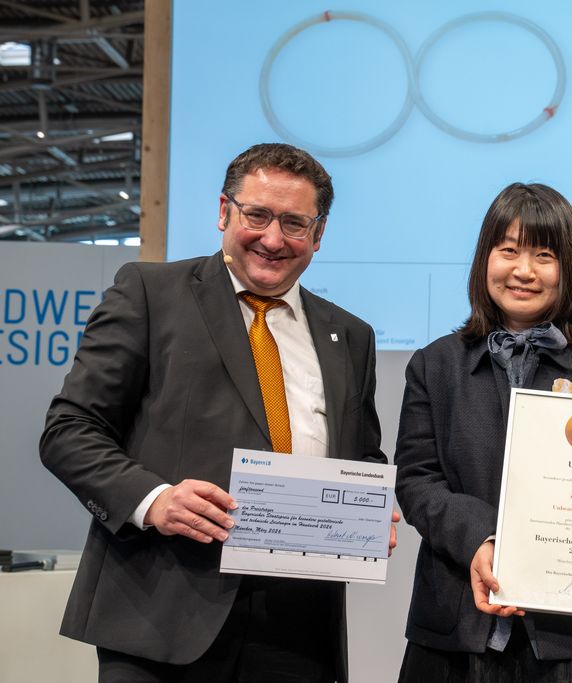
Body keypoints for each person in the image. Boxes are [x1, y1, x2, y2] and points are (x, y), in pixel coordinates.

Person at [39, 143, 393, 682]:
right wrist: (153, 500)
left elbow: (361, 452)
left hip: (299, 628)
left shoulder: (350, 336)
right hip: (159, 614)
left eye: (295, 224)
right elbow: (69, 430)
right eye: (257, 215)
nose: (273, 239)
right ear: (224, 212)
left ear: (317, 236)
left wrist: (369, 508)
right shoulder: (150, 294)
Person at [394, 182, 572, 682]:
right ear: (485, 260)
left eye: (544, 255)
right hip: (459, 628)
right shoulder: (436, 364)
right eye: (508, 251)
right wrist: (481, 539)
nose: (523, 271)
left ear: (571, 269)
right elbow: (417, 481)